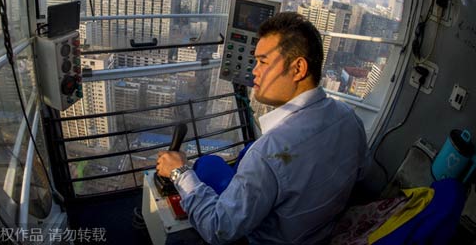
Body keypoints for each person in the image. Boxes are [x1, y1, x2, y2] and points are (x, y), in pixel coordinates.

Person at [156, 12, 369, 245]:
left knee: (208, 165)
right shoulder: (349, 118)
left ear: (298, 69)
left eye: (263, 62)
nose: (254, 70)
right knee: (246, 151)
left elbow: (218, 228)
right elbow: (358, 176)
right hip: (318, 232)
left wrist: (179, 172)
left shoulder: (267, 155)